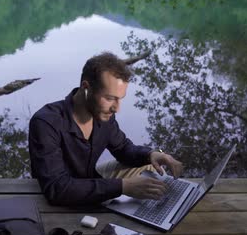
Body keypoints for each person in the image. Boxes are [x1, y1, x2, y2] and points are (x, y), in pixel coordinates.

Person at [28, 52, 183, 206]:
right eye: (109, 98)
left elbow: (123, 148)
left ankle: (158, 215)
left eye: (119, 99)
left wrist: (152, 154)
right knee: (133, 183)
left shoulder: (103, 114)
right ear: (86, 88)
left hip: (89, 178)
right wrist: (123, 186)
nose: (116, 108)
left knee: (149, 165)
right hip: (60, 193)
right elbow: (57, 188)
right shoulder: (46, 122)